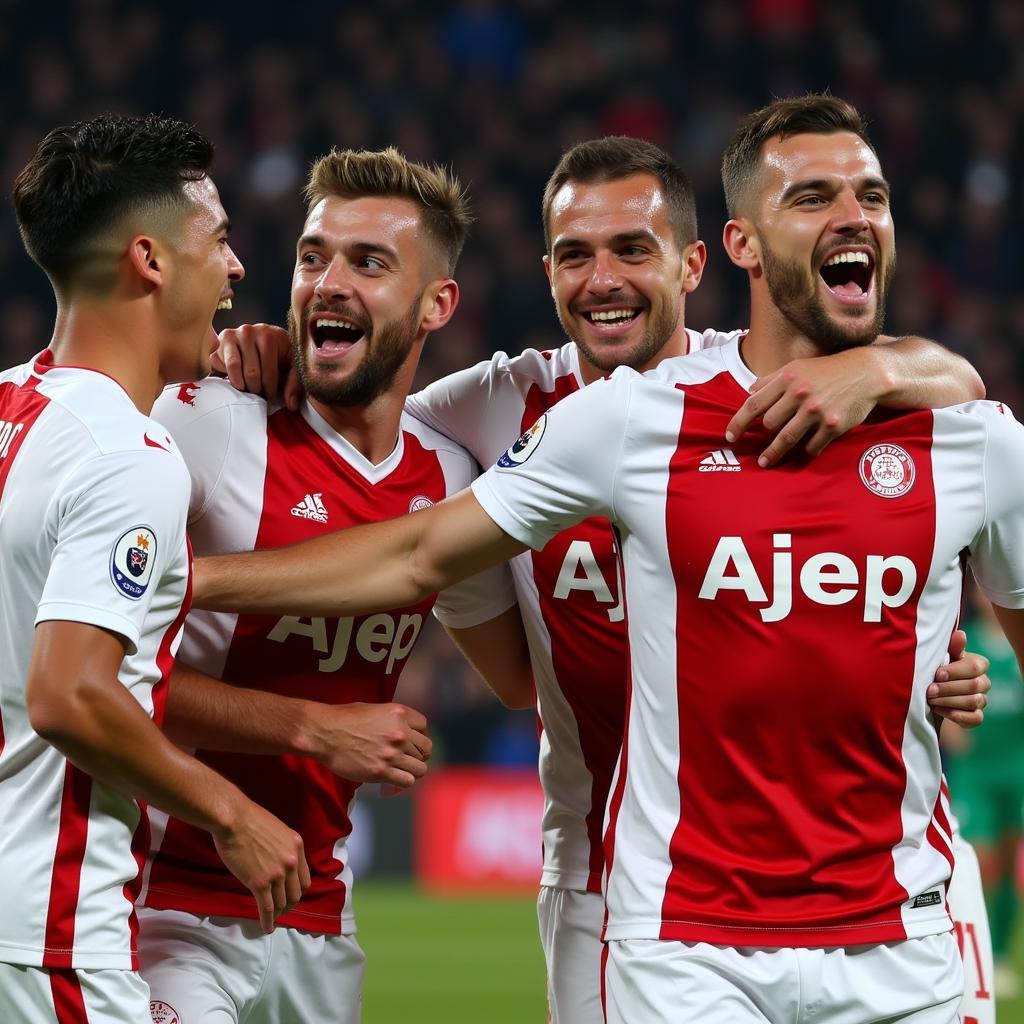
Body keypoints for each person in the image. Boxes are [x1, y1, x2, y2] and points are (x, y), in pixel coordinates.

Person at [193, 95, 1024, 1023]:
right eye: (576, 256)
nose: (603, 280)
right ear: (545, 272)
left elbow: (962, 402)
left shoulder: (850, 408)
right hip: (629, 881)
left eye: (633, 249)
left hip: (884, 892)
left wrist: (881, 370)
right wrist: (266, 354)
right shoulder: (517, 414)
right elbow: (399, 491)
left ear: (698, 262)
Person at [136, 147, 523, 1024]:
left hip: (320, 915)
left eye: (369, 262)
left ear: (439, 304)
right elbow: (92, 671)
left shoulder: (452, 477)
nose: (329, 282)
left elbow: (520, 677)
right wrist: (315, 727)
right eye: (315, 257)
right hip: (165, 907)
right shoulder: (206, 421)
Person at [0, 114, 309, 1024]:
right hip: (51, 928)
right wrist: (232, 812)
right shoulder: (127, 454)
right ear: (150, 260)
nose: (238, 270)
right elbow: (71, 696)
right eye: (218, 241)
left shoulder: (12, 409)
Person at [947, 588, 1024, 1001]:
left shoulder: (1017, 644)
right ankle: (976, 953)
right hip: (977, 770)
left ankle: (999, 954)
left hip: (1018, 767)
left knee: (1011, 861)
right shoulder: (965, 640)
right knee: (982, 861)